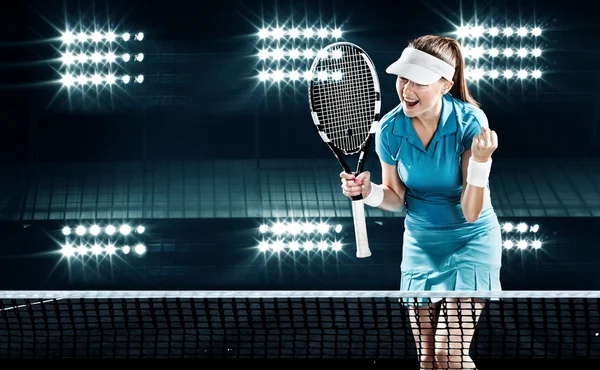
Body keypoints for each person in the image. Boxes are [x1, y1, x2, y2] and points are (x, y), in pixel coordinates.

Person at [340, 35, 502, 369]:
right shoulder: (389, 129)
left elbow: (471, 212)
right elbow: (396, 198)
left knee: (449, 355)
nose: (406, 89)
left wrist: (481, 162)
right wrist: (367, 192)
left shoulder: (470, 122)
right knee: (428, 361)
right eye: (403, 77)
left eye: (419, 81)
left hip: (471, 240)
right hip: (420, 241)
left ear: (445, 85)